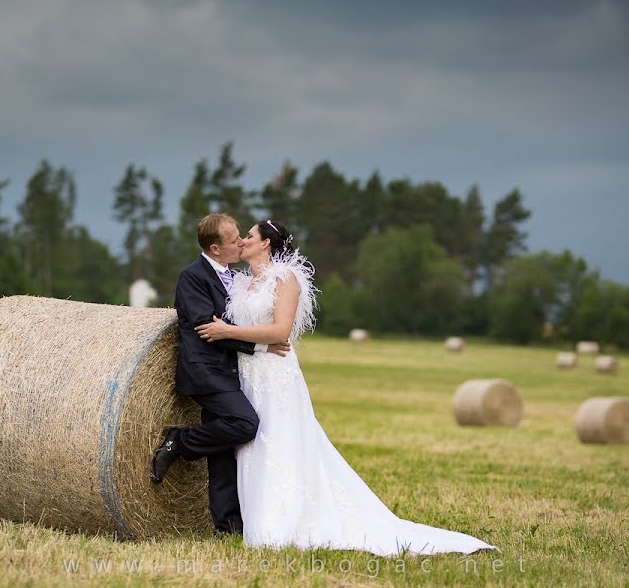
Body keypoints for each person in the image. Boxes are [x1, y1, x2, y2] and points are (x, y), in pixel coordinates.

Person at [194, 219, 496, 556]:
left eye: (249, 236)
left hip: (275, 376)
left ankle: (282, 520)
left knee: (279, 440)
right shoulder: (241, 284)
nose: (242, 241)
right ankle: (251, 517)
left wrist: (228, 333)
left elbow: (280, 332)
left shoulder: (286, 279)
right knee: (251, 444)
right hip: (247, 375)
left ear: (265, 244)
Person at [150, 213, 290, 536]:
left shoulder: (236, 277)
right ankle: (180, 441)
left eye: (242, 236)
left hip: (232, 371)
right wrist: (262, 347)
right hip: (206, 371)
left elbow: (231, 324)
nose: (240, 242)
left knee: (224, 449)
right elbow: (208, 329)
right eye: (233, 240)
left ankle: (227, 525)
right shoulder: (192, 278)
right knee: (246, 424)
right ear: (215, 248)